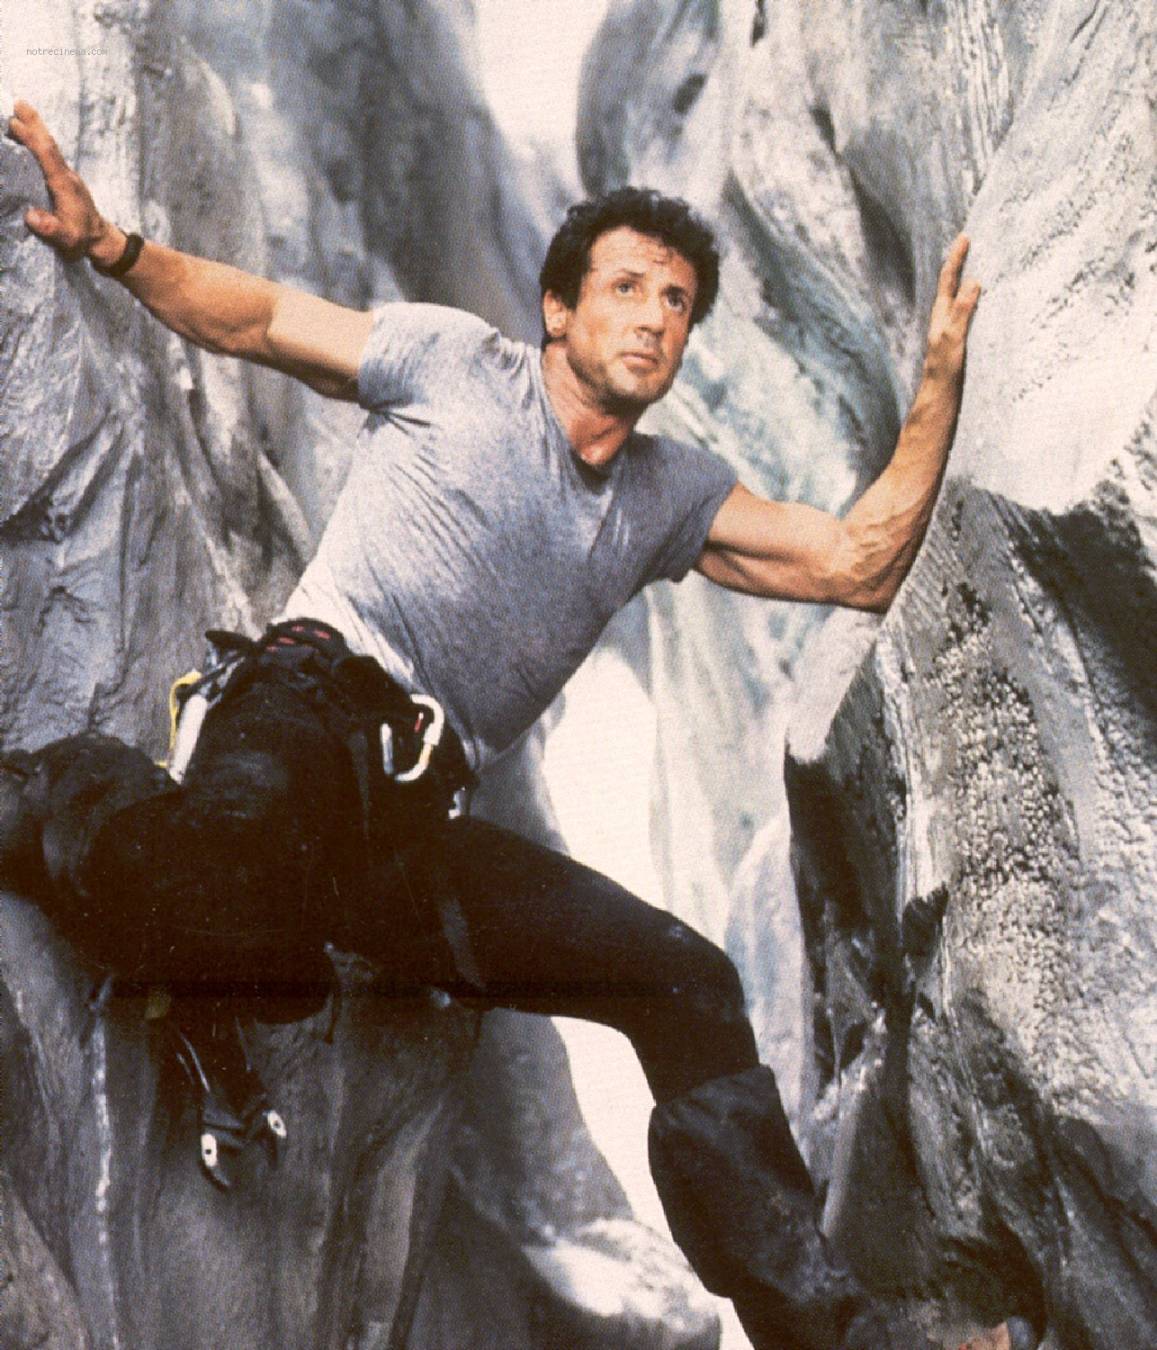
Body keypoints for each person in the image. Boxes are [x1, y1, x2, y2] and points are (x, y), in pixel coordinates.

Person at [0, 101, 1039, 1350]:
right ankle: (57, 793)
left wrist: (938, 381)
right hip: (304, 708)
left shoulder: (668, 496)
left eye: (677, 302)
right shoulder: (454, 363)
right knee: (237, 902)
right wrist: (114, 248)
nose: (655, 316)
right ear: (557, 308)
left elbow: (854, 562)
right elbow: (263, 320)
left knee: (683, 980)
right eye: (627, 287)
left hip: (406, 830)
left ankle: (833, 1336)